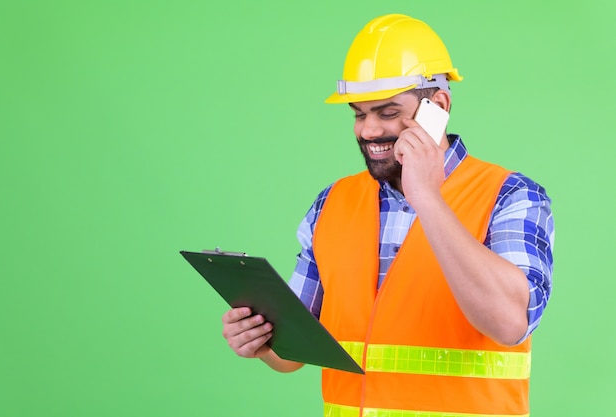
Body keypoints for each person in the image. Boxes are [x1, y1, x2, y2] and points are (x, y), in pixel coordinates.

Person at [222, 13, 554, 417]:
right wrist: (258, 341)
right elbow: (292, 352)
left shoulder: (511, 196)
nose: (369, 131)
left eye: (388, 112)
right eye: (360, 114)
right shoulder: (333, 203)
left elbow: (508, 324)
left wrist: (427, 197)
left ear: (439, 106)